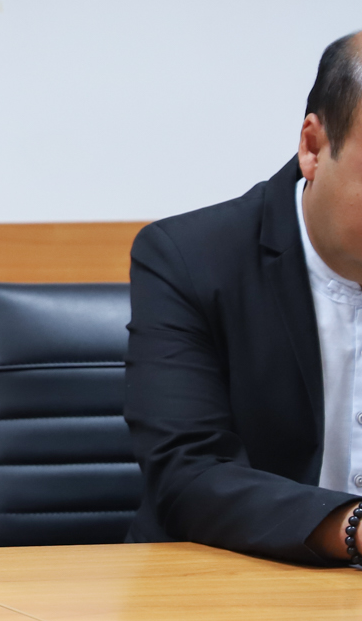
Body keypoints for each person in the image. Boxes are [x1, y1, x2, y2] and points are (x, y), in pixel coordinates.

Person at [127, 30, 362, 564]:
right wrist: (352, 527)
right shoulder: (189, 260)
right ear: (313, 147)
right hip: (226, 585)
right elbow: (188, 475)